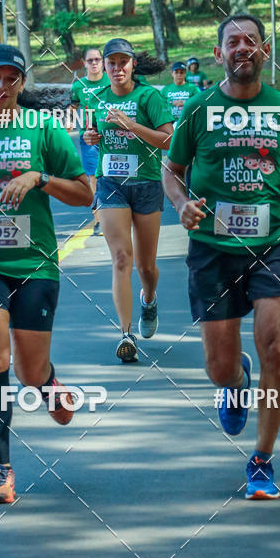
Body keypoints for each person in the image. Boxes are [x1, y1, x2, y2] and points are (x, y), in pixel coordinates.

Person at [163, 14, 280, 499]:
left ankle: (262, 458)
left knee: (277, 345)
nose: (242, 47)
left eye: (251, 40)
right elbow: (172, 169)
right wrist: (181, 203)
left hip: (273, 243)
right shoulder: (198, 109)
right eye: (232, 41)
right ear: (219, 54)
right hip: (213, 249)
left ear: (265, 50)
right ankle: (235, 381)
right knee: (219, 366)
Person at [0, 44, 93, 504]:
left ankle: (47, 382)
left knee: (28, 372)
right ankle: (1, 469)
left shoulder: (44, 129)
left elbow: (85, 194)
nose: (2, 85)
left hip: (34, 264)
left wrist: (39, 178)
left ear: (21, 84)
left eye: (11, 78)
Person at [83, 38, 174, 362]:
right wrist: (90, 136)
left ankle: (149, 299)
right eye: (112, 62)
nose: (117, 68)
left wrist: (131, 125)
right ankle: (126, 334)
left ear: (133, 64)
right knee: (121, 258)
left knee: (145, 266)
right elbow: (93, 134)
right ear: (105, 66)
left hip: (146, 183)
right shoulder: (97, 98)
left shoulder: (149, 97)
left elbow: (169, 140)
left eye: (124, 62)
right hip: (111, 184)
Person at [70, 47, 109, 235]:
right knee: (93, 177)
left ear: (103, 62)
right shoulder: (78, 86)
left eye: (97, 59)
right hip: (88, 137)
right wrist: (68, 123)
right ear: (84, 63)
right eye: (90, 60)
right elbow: (72, 108)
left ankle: (118, 215)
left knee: (111, 175)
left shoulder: (111, 81)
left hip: (111, 135)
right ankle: (99, 221)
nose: (94, 63)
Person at [160, 61, 201, 127]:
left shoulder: (193, 88)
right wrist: (171, 102)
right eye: (176, 72)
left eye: (181, 72)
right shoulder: (165, 90)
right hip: (170, 122)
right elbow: (160, 106)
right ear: (172, 73)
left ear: (185, 74)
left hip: (188, 121)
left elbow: (200, 103)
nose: (179, 75)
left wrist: (185, 102)